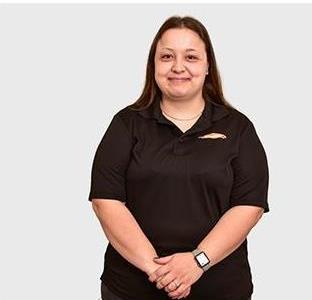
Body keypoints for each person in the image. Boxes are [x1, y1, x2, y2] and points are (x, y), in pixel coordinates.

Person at [88, 15, 269, 300]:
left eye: (191, 57)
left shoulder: (238, 128)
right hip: (131, 289)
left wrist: (198, 261)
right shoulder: (126, 124)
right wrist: (160, 271)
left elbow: (250, 206)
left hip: (220, 290)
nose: (178, 67)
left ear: (208, 66)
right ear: (154, 65)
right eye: (167, 56)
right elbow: (105, 200)